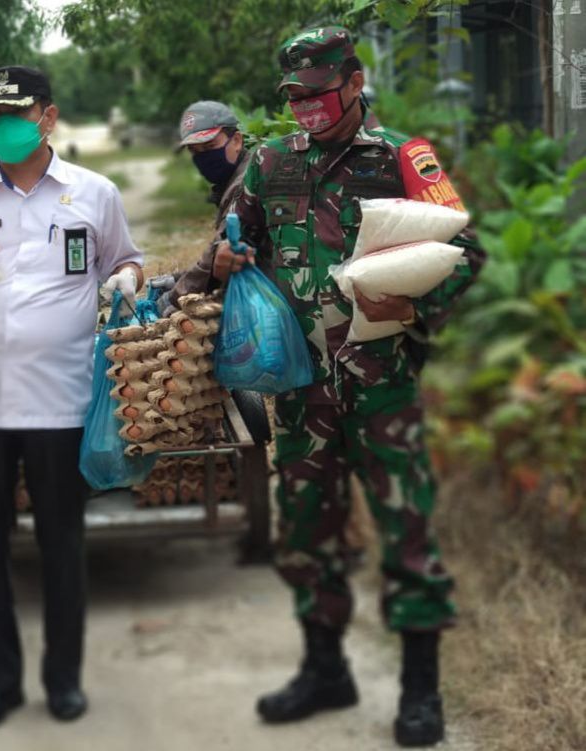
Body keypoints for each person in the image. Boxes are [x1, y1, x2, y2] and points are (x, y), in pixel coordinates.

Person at [211, 27, 485, 747]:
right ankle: (325, 669)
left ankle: (421, 689)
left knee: (406, 528)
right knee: (306, 532)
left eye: (317, 91)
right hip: (300, 387)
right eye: (294, 95)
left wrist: (415, 307)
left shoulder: (401, 156)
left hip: (382, 383)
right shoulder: (270, 162)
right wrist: (223, 260)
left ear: (355, 83)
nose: (305, 106)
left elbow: (465, 251)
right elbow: (230, 239)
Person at [0, 65, 143, 732]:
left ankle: (63, 680)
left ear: (47, 118)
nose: (1, 128)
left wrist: (127, 278)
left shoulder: (94, 194)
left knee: (61, 546)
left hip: (59, 399)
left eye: (15, 115)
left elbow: (125, 259)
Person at [156, 101, 251, 315]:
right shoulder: (230, 181)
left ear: (236, 141)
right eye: (194, 151)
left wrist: (175, 295)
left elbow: (220, 253)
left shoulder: (245, 183)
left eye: (209, 147)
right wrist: (177, 278)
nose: (204, 158)